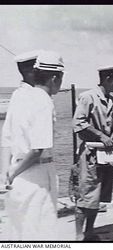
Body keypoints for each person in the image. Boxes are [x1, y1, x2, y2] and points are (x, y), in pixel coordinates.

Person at [1, 51, 65, 240]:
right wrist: (11, 174)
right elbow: (38, 149)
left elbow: (6, 139)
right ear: (54, 78)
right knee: (41, 234)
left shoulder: (18, 96)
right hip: (38, 175)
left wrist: (6, 174)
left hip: (17, 171)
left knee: (18, 233)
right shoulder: (43, 101)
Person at [71, 66, 113, 241]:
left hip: (106, 155)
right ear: (108, 79)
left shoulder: (112, 101)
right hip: (90, 153)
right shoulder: (88, 97)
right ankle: (78, 236)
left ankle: (89, 231)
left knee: (98, 195)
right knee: (86, 194)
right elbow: (78, 124)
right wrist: (101, 135)